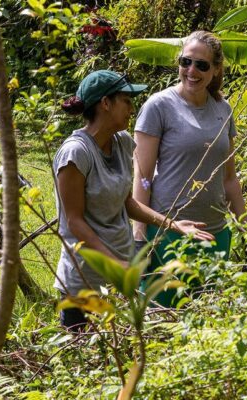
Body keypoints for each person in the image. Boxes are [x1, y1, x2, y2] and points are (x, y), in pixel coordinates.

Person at [55, 70, 214, 331]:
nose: (132, 108)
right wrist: (114, 263)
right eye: (126, 101)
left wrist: (174, 225)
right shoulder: (76, 153)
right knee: (84, 355)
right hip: (85, 279)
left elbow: (127, 202)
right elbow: (74, 222)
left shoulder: (123, 142)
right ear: (106, 103)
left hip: (121, 278)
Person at [132, 30, 246, 307]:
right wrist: (140, 239)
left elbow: (229, 177)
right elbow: (143, 177)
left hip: (216, 235)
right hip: (168, 234)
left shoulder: (223, 108)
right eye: (186, 62)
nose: (191, 71)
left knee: (206, 324)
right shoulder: (159, 106)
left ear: (216, 70)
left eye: (201, 65)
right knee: (162, 319)